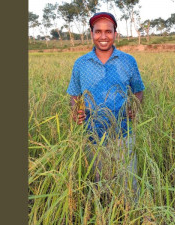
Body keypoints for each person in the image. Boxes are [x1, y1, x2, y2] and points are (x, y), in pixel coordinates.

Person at [66, 12, 145, 194]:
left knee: (129, 182)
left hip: (123, 134)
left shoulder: (128, 61)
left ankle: (132, 215)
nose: (103, 36)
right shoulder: (80, 64)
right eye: (98, 31)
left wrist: (135, 106)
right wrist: (75, 111)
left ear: (115, 34)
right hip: (92, 136)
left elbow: (138, 90)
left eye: (108, 31)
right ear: (91, 33)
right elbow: (74, 94)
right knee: (100, 184)